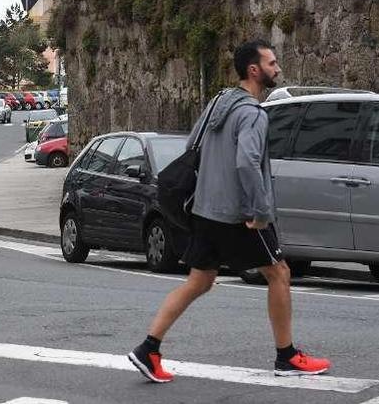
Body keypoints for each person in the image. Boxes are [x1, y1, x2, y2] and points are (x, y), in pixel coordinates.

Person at [128, 40, 331, 383]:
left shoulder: (219, 102)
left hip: (205, 209)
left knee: (200, 280)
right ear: (255, 70)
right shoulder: (252, 113)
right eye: (272, 63)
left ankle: (148, 349)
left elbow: (193, 144)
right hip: (238, 214)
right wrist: (260, 210)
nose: (277, 68)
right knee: (279, 273)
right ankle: (287, 356)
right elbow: (248, 162)